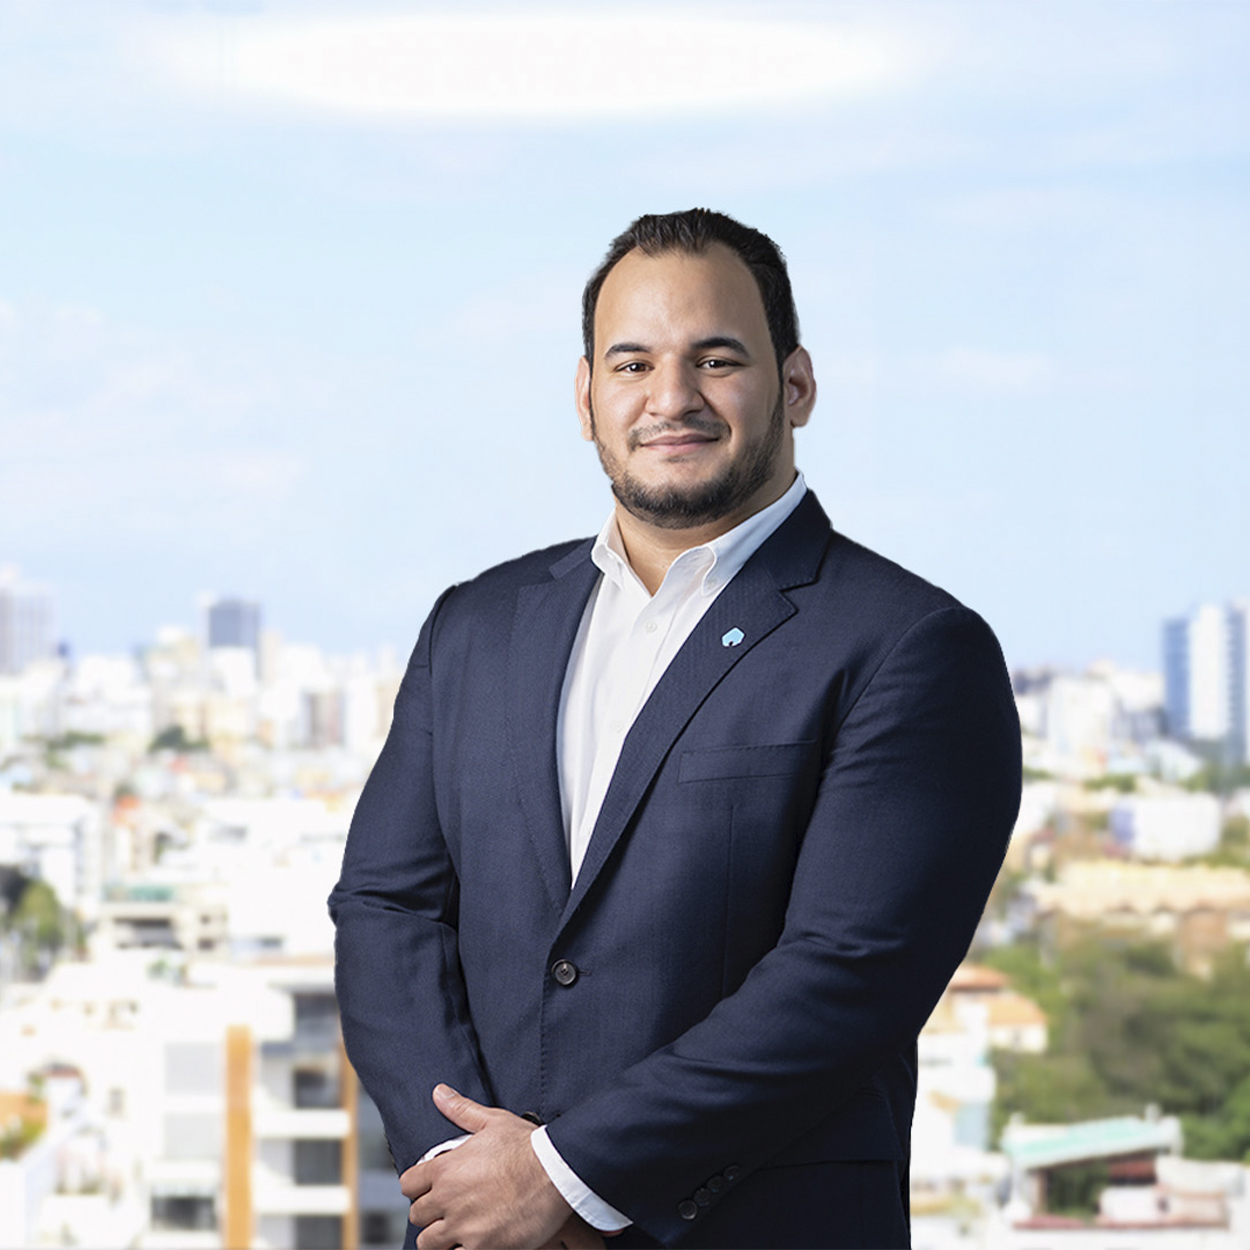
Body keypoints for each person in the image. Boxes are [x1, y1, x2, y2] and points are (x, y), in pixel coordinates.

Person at [329, 208, 1021, 1250]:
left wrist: (565, 1177)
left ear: (796, 384)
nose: (670, 397)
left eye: (715, 358)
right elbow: (386, 905)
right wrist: (465, 1170)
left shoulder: (908, 645)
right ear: (585, 397)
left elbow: (847, 973)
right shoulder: (476, 625)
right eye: (632, 363)